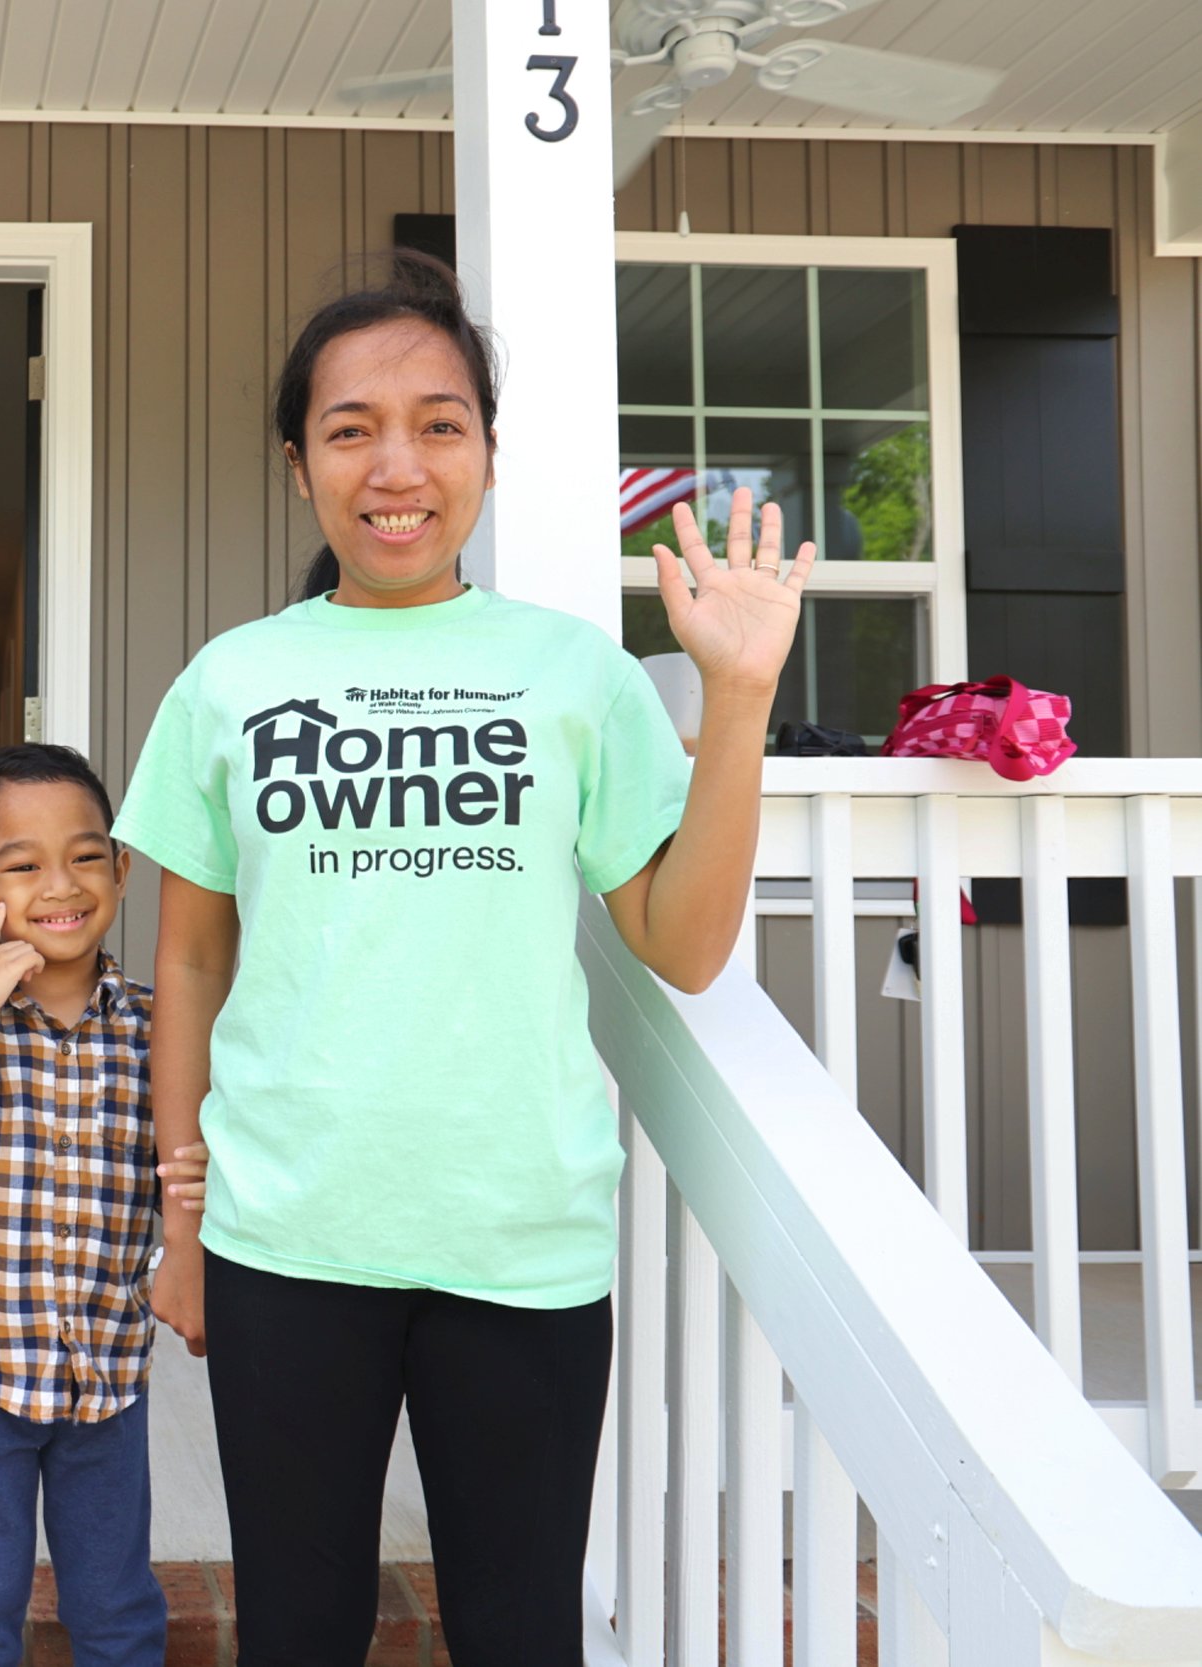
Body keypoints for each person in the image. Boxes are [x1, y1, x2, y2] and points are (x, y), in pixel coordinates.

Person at [112, 252, 810, 1667]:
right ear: (298, 459)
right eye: (351, 425)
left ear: (487, 450)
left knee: (516, 1626)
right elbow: (185, 964)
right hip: (285, 1235)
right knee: (299, 1627)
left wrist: (735, 697)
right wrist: (181, 1221)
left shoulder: (576, 675)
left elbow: (681, 942)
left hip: (520, 1233)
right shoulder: (232, 678)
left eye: (440, 422)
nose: (398, 463)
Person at [0, 743, 210, 1667]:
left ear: (122, 867)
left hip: (106, 1368)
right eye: (21, 865)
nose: (59, 885)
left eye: (84, 855)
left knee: (114, 1605)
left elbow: (185, 1168)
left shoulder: (158, 1027)